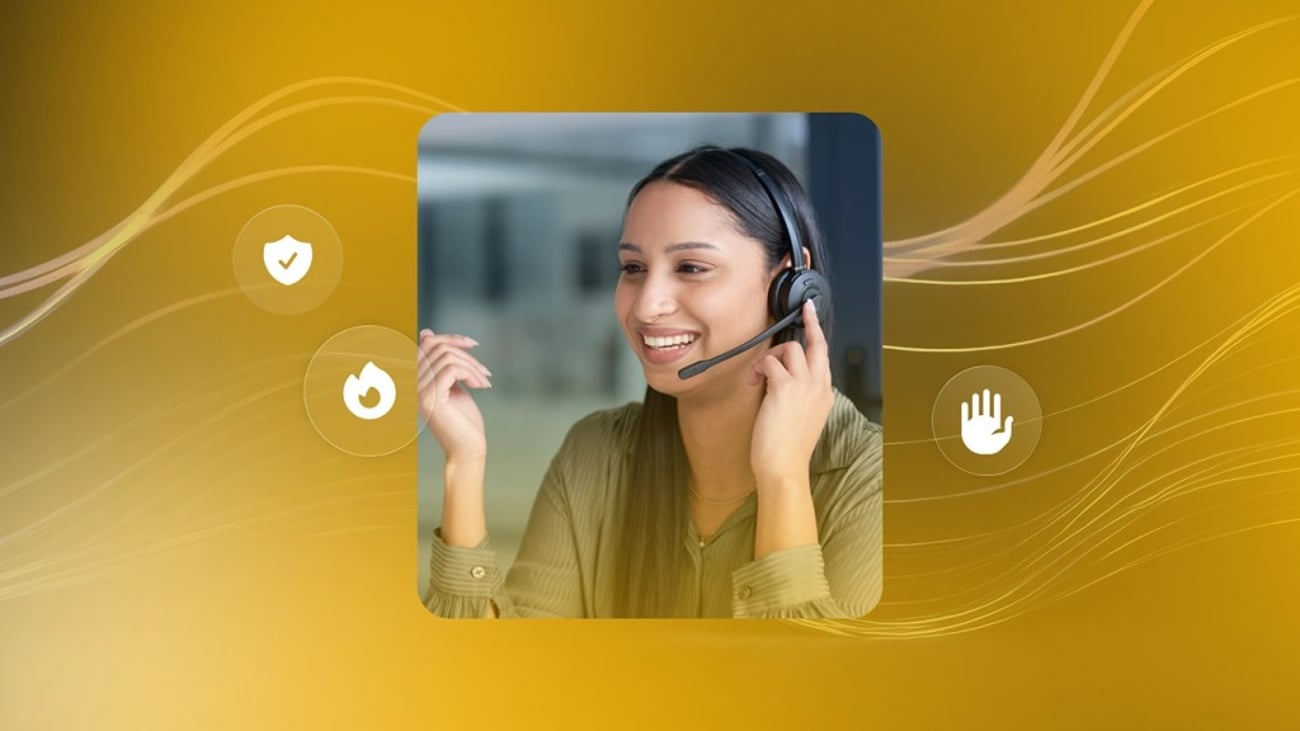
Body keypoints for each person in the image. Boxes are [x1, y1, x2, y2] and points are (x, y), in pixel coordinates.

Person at [418, 145, 883, 618]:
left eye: (692, 268)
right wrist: (463, 463)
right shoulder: (596, 455)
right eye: (634, 269)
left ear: (791, 283)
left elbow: (812, 685)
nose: (645, 306)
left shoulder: (875, 482)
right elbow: (500, 676)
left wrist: (783, 477)